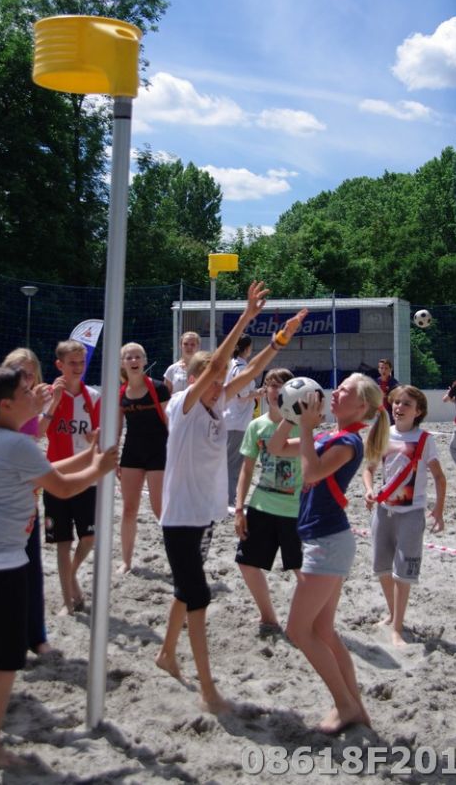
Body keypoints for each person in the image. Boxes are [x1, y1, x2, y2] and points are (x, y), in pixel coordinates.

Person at [0, 366, 117, 768]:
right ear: (6, 405)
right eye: (26, 392)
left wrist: (88, 456)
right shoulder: (15, 444)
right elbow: (62, 487)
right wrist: (99, 468)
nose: (35, 395)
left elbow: (45, 473)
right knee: (4, 660)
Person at [155, 282, 308, 713]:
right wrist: (245, 316)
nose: (221, 382)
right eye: (213, 377)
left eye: (221, 379)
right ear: (195, 378)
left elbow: (253, 366)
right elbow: (219, 364)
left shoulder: (216, 402)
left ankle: (166, 654)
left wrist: (282, 337)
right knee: (199, 597)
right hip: (180, 519)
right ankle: (208, 689)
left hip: (203, 516)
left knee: (185, 590)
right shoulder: (183, 404)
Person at [268, 373, 390, 734]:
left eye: (345, 390)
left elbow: (312, 473)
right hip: (322, 538)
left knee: (298, 630)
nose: (335, 392)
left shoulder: (349, 442)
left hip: (327, 541)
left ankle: (344, 705)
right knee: (323, 631)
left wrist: (306, 428)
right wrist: (291, 416)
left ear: (361, 405)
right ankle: (356, 709)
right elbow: (276, 448)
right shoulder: (325, 436)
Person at [363, 385, 446, 647]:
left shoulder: (425, 439)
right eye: (396, 402)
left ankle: (397, 628)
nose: (399, 407)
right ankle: (392, 614)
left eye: (406, 404)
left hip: (411, 513)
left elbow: (439, 477)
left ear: (418, 411)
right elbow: (369, 469)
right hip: (383, 511)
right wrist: (368, 490)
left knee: (403, 572)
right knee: (382, 567)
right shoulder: (384, 434)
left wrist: (439, 509)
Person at [234, 367, 303, 636]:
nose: (275, 390)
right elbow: (246, 469)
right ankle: (268, 617)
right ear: (264, 391)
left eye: (281, 386)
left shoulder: (302, 424)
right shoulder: (257, 426)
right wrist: (239, 508)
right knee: (246, 562)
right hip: (262, 505)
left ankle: (310, 620)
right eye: (271, 385)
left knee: (302, 570)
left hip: (295, 509)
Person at [2, 347, 57, 654]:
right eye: (20, 373)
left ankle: (36, 635)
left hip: (27, 496)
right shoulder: (0, 403)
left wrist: (47, 408)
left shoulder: (30, 403)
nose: (27, 378)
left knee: (31, 567)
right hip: (2, 498)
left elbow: (34, 434)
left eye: (31, 373)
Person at [43, 339, 100, 615]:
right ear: (60, 365)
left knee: (89, 538)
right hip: (56, 475)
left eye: (81, 362)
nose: (78, 367)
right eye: (72, 363)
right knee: (62, 543)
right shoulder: (48, 395)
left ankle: (72, 576)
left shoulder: (94, 397)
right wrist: (53, 403)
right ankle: (68, 602)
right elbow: (38, 430)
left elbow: (100, 435)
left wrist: (95, 438)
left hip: (85, 477)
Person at [118, 342, 169, 574]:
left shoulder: (159, 388)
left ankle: (178, 558)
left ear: (145, 360)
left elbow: (170, 423)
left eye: (138, 356)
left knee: (160, 510)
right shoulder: (121, 392)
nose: (134, 360)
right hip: (132, 452)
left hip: (159, 451)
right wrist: (113, 457)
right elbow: (117, 428)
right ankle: (126, 562)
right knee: (129, 509)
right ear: (123, 363)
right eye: (129, 357)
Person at [224, 334, 261, 508]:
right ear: (247, 348)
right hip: (237, 420)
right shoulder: (241, 367)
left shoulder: (231, 365)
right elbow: (242, 394)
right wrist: (259, 392)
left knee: (230, 460)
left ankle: (227, 496)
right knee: (233, 462)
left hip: (231, 418)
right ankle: (228, 498)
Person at [376, 359, 399, 423]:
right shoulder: (375, 382)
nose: (384, 370)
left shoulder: (394, 384)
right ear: (378, 369)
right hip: (378, 412)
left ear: (390, 369)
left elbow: (397, 398)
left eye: (386, 368)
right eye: (381, 368)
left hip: (390, 413)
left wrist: (387, 396)